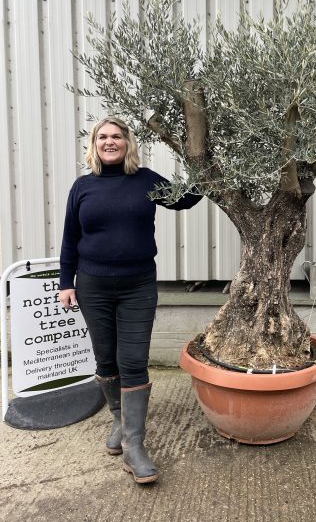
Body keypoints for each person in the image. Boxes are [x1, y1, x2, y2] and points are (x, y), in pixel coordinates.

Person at [59, 116, 201, 484]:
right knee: (106, 359)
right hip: (93, 286)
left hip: (138, 285)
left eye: (116, 136)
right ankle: (120, 424)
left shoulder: (146, 180)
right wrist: (65, 282)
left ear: (127, 142)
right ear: (94, 144)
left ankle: (135, 445)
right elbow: (70, 239)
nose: (110, 142)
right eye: (103, 137)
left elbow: (185, 200)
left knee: (133, 361)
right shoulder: (82, 187)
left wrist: (204, 167)